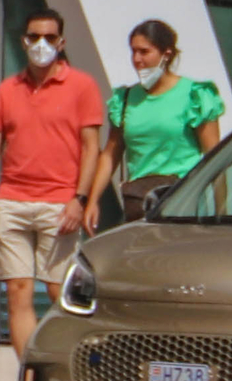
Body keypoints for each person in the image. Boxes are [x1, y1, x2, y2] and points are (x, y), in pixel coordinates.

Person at [0, 9, 106, 381]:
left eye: (50, 38)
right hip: (12, 202)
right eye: (34, 37)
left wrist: (80, 199)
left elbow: (92, 148)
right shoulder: (8, 90)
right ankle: (33, 380)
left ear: (62, 42)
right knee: (18, 291)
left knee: (59, 292)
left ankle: (68, 375)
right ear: (23, 41)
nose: (42, 45)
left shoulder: (82, 87)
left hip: (60, 204)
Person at [84, 18, 224, 229]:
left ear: (166, 54)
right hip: (140, 206)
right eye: (133, 52)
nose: (137, 59)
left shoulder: (194, 95)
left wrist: (222, 213)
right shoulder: (125, 99)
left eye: (144, 52)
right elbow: (110, 153)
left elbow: (216, 158)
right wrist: (92, 201)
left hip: (183, 204)